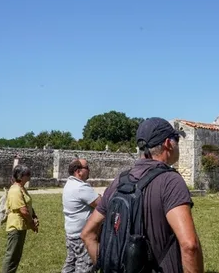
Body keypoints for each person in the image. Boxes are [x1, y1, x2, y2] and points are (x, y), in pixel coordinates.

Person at [81, 117, 204, 273]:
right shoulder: (170, 181)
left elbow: (87, 234)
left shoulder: (119, 180)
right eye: (176, 139)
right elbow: (190, 246)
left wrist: (108, 265)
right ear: (168, 144)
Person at [62, 159, 101, 273]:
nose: (89, 170)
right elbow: (100, 203)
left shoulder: (69, 184)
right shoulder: (81, 187)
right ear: (78, 171)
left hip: (71, 233)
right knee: (85, 266)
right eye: (87, 168)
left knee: (70, 264)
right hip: (82, 235)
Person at [2, 165, 39, 273]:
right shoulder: (15, 190)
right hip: (16, 227)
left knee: (16, 256)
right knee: (11, 256)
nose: (30, 176)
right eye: (27, 174)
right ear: (21, 176)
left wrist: (34, 215)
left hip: (21, 226)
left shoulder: (21, 188)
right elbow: (23, 210)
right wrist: (32, 224)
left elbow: (27, 205)